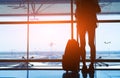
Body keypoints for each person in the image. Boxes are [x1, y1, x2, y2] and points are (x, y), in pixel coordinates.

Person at [75, 0, 101, 71]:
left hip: (81, 24)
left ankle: (84, 65)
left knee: (82, 44)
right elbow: (98, 10)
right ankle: (91, 64)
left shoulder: (79, 1)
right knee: (91, 44)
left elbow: (76, 13)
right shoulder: (92, 1)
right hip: (91, 23)